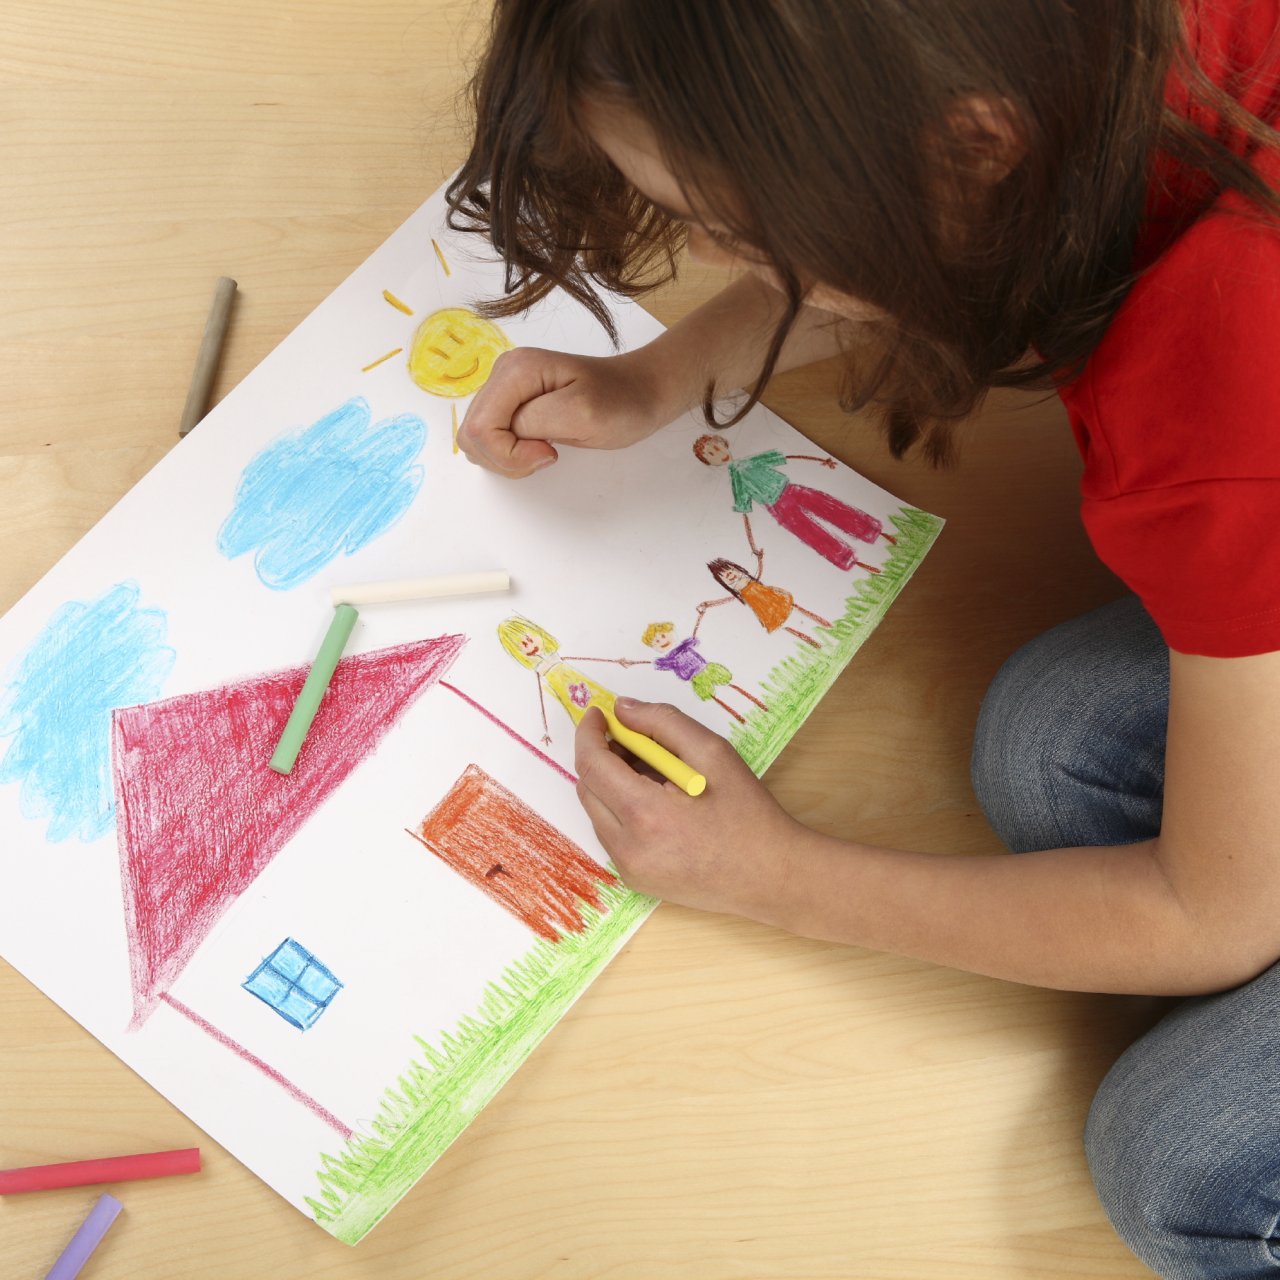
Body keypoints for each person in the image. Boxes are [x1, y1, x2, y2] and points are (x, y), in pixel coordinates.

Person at [449, 3, 1280, 1275]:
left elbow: (1205, 913)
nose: (732, 263)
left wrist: (771, 874)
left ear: (972, 147)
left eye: (744, 238)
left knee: (1172, 1162)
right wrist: (663, 375)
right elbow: (931, 230)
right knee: (1048, 749)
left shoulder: (1217, 403)